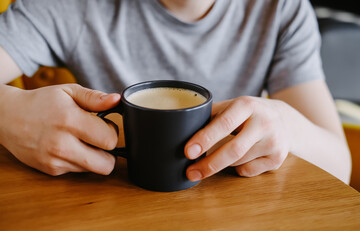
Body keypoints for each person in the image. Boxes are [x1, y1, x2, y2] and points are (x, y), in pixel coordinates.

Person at [0, 0, 351, 183]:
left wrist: (284, 125)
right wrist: (7, 112)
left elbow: (340, 167)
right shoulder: (69, 6)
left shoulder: (281, 9)